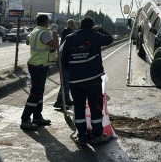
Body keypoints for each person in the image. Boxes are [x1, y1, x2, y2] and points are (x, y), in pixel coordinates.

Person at [61, 16, 113, 146]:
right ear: (91, 26)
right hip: (92, 79)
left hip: (75, 81)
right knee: (96, 107)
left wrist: (74, 71)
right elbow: (109, 39)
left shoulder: (69, 39)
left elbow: (63, 60)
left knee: (79, 109)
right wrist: (99, 29)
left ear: (79, 26)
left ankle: (82, 138)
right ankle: (96, 136)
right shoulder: (94, 36)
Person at [20, 14, 59, 131]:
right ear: (46, 22)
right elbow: (56, 45)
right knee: (35, 93)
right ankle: (25, 120)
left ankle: (37, 116)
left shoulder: (35, 31)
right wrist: (55, 32)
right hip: (38, 66)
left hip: (36, 64)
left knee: (39, 93)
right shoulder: (43, 33)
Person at [53, 19, 75, 108]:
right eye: (70, 23)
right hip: (63, 59)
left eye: (73, 23)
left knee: (68, 80)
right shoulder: (66, 31)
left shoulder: (72, 31)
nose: (72, 24)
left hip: (67, 59)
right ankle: (59, 100)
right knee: (65, 81)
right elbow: (64, 43)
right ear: (67, 24)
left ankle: (66, 98)